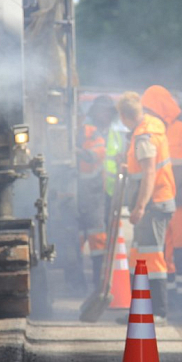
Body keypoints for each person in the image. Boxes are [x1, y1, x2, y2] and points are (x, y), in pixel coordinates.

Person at [141, 85, 182, 315]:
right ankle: (168, 302)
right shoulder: (158, 127)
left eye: (149, 108)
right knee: (165, 253)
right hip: (165, 201)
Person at [116, 92, 176, 324]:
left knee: (152, 258)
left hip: (153, 204)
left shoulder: (143, 137)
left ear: (123, 116)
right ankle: (140, 311)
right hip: (156, 201)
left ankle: (158, 312)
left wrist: (140, 206)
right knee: (139, 257)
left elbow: (149, 172)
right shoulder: (152, 125)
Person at [76, 114, 107, 288]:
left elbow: (96, 155)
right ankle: (77, 283)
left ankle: (98, 282)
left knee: (98, 241)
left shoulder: (93, 134)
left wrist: (77, 151)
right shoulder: (59, 133)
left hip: (94, 197)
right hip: (73, 198)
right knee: (75, 241)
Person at [87, 95, 127, 223]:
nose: (105, 115)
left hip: (110, 191)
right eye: (102, 111)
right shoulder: (85, 132)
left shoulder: (116, 135)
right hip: (89, 190)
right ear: (94, 112)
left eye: (108, 111)